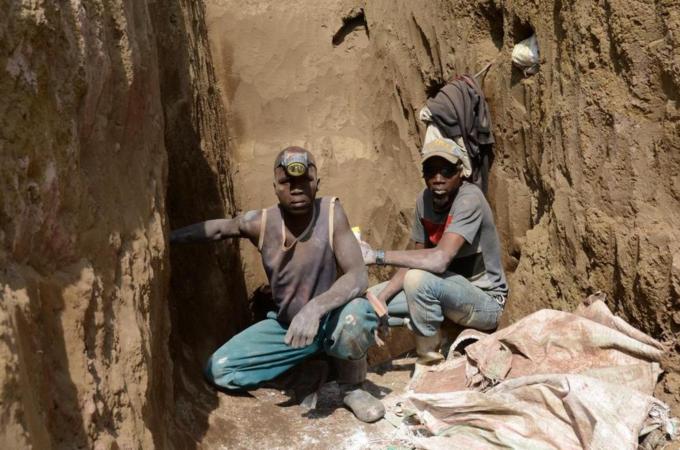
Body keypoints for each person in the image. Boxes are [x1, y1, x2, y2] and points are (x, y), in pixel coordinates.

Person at [170, 146, 385, 423]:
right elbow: (219, 229)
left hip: (332, 321)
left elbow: (357, 275)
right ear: (274, 187)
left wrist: (314, 309)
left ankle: (352, 387)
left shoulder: (332, 213)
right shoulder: (261, 223)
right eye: (287, 182)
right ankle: (305, 373)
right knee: (219, 370)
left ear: (317, 183)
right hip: (288, 328)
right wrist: (166, 237)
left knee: (357, 315)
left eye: (304, 181)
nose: (296, 189)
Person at [359, 137, 508, 364]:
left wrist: (377, 256)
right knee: (365, 303)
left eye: (446, 171)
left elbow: (439, 260)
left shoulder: (469, 199)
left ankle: (430, 362)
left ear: (461, 173)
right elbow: (414, 261)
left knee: (418, 281)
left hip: (485, 302)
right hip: (442, 291)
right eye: (431, 171)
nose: (438, 179)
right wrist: (382, 299)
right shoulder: (424, 200)